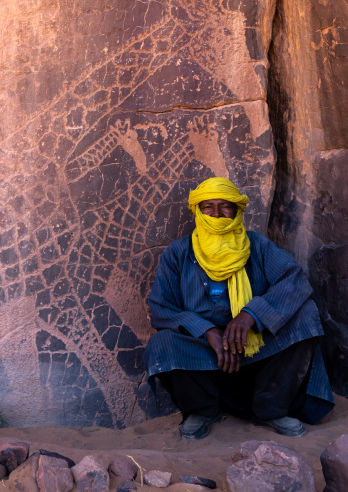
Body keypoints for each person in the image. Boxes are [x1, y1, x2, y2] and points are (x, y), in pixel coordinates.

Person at [143, 177, 334, 440]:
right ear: (198, 211)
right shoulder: (178, 253)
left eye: (226, 206)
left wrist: (251, 316)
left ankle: (270, 410)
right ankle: (202, 411)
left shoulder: (257, 246)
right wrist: (207, 330)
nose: (217, 214)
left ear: (237, 210)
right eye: (208, 206)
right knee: (162, 343)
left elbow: (295, 280)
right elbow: (161, 308)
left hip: (254, 347)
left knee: (305, 314)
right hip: (205, 353)